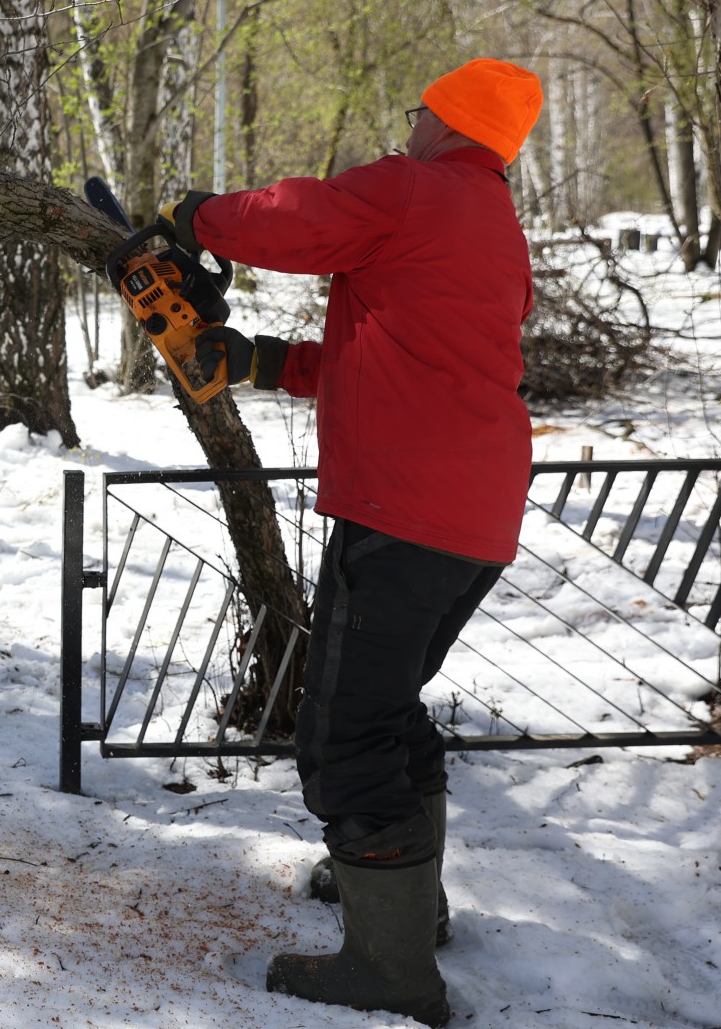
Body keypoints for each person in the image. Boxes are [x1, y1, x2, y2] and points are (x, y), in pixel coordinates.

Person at [159, 58, 542, 1027]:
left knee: (345, 735)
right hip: (473, 512)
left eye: (417, 108)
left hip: (406, 512)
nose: (406, 124)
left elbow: (297, 219)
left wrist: (196, 214)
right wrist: (264, 361)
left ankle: (392, 966)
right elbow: (396, 358)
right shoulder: (487, 223)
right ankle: (413, 908)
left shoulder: (416, 187)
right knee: (386, 708)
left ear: (446, 120)